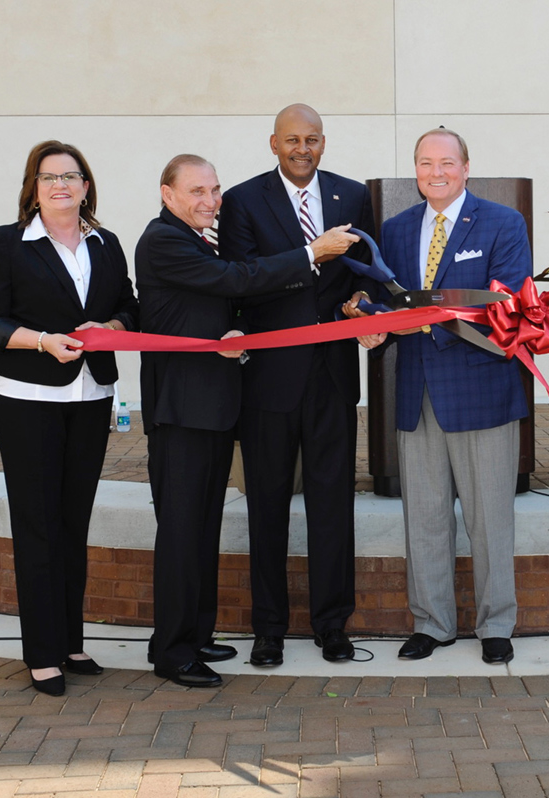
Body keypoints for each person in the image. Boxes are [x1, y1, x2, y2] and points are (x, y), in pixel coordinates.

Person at [136, 154, 357, 687]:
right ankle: (171, 650)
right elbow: (233, 278)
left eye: (214, 190)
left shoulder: (195, 237)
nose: (210, 201)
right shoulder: (164, 239)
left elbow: (218, 303)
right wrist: (310, 253)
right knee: (182, 534)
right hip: (182, 412)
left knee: (201, 530)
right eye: (196, 192)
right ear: (167, 194)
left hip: (215, 411)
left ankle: (194, 634)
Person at [0, 140, 139, 696]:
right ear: (33, 188)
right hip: (26, 399)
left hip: (90, 397)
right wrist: (42, 341)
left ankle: (70, 642)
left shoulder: (107, 244)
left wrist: (113, 326)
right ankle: (41, 653)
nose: (60, 185)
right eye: (48, 178)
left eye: (70, 176)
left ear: (87, 185)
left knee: (73, 521)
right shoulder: (8, 243)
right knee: (38, 525)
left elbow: (130, 307)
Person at [361, 128, 531, 665]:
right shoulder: (396, 228)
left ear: (465, 166)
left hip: (481, 391)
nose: (436, 172)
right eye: (425, 163)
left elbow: (507, 303)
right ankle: (432, 623)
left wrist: (428, 319)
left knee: (489, 518)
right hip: (417, 393)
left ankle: (496, 623)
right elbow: (388, 303)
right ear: (415, 169)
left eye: (446, 162)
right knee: (426, 516)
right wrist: (372, 326)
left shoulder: (503, 222)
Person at [217, 103, 377, 667]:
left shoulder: (353, 196)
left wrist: (362, 307)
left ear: (324, 143)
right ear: (273, 143)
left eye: (311, 139)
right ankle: (268, 629)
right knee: (267, 505)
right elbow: (242, 280)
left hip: (332, 374)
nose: (302, 149)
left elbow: (366, 272)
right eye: (292, 140)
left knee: (334, 504)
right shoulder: (240, 201)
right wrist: (310, 255)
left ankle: (333, 625)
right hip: (270, 378)